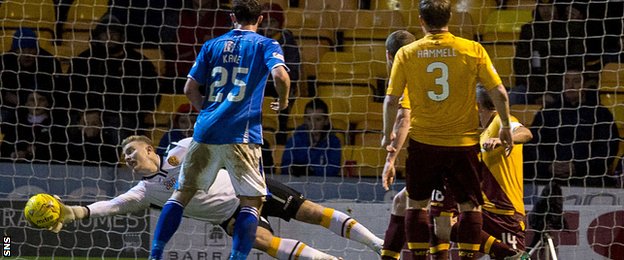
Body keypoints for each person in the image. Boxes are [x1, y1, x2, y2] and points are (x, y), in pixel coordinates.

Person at [48, 135, 382, 259]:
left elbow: (208, 139)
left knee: (312, 212)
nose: (127, 158)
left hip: (249, 187)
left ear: (150, 148)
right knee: (263, 242)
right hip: (230, 216)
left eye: (131, 151)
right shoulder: (144, 191)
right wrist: (72, 213)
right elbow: (111, 206)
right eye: (124, 157)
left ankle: (378, 245)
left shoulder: (180, 148)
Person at [150, 1, 291, 259]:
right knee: (252, 201)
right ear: (260, 19)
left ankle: (155, 254)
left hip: (205, 131)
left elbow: (189, 89)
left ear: (231, 18)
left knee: (181, 195)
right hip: (241, 133)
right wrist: (283, 101)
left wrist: (206, 111)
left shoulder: (211, 45)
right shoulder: (265, 44)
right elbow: (281, 76)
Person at [381, 1, 513, 259]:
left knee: (416, 204)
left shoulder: (407, 53)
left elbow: (391, 100)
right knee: (469, 207)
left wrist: (387, 134)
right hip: (463, 143)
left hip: (424, 142)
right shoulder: (472, 49)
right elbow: (498, 92)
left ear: (421, 20)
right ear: (450, 17)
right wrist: (506, 125)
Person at [523, 66, 620, 187]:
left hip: (587, 178)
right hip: (549, 177)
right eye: (567, 81)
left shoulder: (600, 113)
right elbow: (533, 144)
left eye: (576, 81)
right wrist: (548, 165)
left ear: (584, 84)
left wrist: (578, 167)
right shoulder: (548, 112)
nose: (571, 86)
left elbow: (607, 148)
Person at [67, 14, 159, 136]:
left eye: (114, 33)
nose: (109, 37)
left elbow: (151, 92)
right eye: (104, 33)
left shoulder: (138, 62)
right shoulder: (82, 61)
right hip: (86, 114)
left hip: (124, 117)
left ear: (121, 36)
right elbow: (71, 90)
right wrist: (85, 112)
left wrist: (134, 112)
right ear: (97, 36)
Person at [259, 2, 301, 144]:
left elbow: (293, 70)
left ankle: (281, 138)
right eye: (265, 22)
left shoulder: (288, 41)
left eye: (273, 22)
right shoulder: (257, 40)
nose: (269, 26)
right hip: (260, 85)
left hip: (278, 87)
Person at [0, 28, 62, 123]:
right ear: (15, 50)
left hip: (43, 108)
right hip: (11, 108)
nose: (27, 54)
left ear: (37, 49)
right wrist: (5, 96)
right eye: (22, 49)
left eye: (31, 49)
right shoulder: (4, 62)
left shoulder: (50, 62)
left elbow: (59, 93)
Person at [281, 98, 342, 177]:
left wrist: (311, 169)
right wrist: (293, 170)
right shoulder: (295, 139)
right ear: (305, 120)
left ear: (326, 121)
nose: (313, 124)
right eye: (309, 119)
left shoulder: (333, 142)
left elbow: (333, 169)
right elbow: (285, 166)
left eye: (318, 120)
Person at [0, 92, 65, 162]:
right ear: (26, 104)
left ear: (47, 103)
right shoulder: (14, 124)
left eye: (41, 100)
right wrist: (13, 154)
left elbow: (60, 151)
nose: (37, 103)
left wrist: (37, 150)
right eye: (32, 100)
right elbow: (4, 147)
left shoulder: (56, 126)